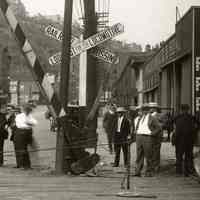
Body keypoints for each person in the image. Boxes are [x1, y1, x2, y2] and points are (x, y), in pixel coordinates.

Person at [134, 103, 161, 177]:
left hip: (147, 137)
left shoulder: (152, 118)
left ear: (149, 110)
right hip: (139, 137)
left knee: (148, 155)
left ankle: (149, 172)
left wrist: (152, 133)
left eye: (146, 110)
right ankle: (137, 171)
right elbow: (137, 127)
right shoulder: (140, 118)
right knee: (139, 155)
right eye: (143, 110)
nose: (144, 111)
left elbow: (158, 128)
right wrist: (135, 134)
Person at [173, 104, 195, 176]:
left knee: (179, 155)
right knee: (188, 156)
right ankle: (187, 171)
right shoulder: (191, 117)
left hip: (180, 140)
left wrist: (174, 140)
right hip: (189, 140)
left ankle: (178, 171)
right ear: (188, 109)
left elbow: (177, 130)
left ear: (181, 110)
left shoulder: (177, 118)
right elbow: (195, 128)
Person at [14, 104, 37, 169]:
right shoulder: (20, 116)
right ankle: (24, 165)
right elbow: (20, 124)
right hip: (21, 133)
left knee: (24, 149)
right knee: (22, 149)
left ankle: (26, 165)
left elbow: (34, 123)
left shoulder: (28, 116)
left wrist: (28, 123)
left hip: (25, 133)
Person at [148, 102, 163, 173]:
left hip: (157, 136)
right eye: (150, 107)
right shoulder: (147, 116)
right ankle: (151, 165)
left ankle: (156, 165)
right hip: (149, 136)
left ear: (155, 108)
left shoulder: (159, 116)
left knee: (156, 151)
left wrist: (154, 132)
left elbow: (161, 126)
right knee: (150, 151)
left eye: (152, 107)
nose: (151, 109)